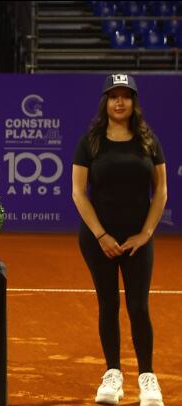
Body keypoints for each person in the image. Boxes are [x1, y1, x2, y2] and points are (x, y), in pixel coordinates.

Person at [72, 73, 167, 406]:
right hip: (99, 239)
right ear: (106, 102)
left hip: (137, 239)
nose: (120, 102)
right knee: (108, 304)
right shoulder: (91, 142)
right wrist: (101, 235)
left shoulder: (148, 141)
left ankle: (147, 378)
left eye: (126, 96)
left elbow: (161, 191)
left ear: (133, 102)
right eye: (114, 96)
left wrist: (146, 233)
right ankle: (112, 374)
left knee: (138, 306)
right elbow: (78, 192)